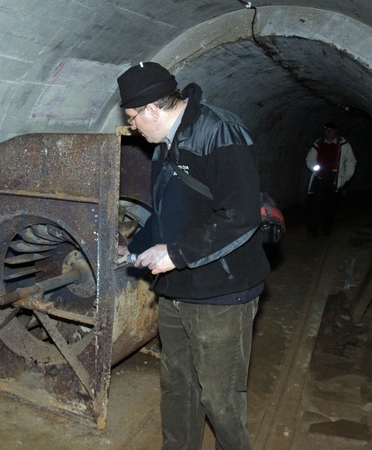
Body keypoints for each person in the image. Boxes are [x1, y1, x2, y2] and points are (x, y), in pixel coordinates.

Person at [115, 62, 270, 450]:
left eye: (133, 118)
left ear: (153, 109)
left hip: (222, 292)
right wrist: (134, 246)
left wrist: (178, 254)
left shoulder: (220, 132)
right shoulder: (163, 145)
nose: (132, 127)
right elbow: (167, 213)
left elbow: (240, 215)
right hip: (177, 287)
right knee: (178, 385)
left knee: (220, 397)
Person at [305, 122, 357, 237]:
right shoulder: (318, 143)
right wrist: (315, 167)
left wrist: (345, 177)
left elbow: (350, 161)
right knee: (316, 205)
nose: (329, 132)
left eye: (331, 130)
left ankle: (326, 229)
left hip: (334, 180)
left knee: (330, 206)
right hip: (319, 179)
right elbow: (310, 158)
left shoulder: (343, 144)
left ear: (336, 131)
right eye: (327, 130)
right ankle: (313, 230)